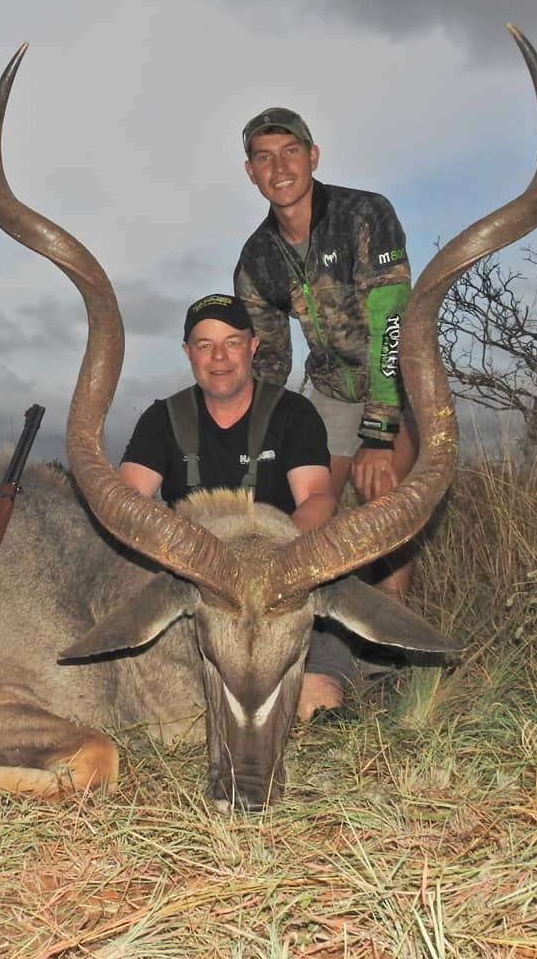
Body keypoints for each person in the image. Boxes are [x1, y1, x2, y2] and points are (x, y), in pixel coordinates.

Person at [232, 107, 420, 701]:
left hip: (399, 382)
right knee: (300, 511)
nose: (279, 167)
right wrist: (248, 446)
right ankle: (312, 650)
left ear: (313, 157)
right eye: (264, 157)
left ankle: (391, 656)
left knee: (383, 498)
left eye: (290, 151)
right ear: (251, 172)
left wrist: (378, 434)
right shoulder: (257, 258)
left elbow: (392, 322)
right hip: (331, 392)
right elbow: (268, 365)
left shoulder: (364, 213)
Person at [118, 293, 351, 720]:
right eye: (205, 345)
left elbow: (317, 499)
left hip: (281, 584)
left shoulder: (293, 414)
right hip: (198, 589)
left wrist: (275, 557)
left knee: (315, 702)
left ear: (253, 346)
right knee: (177, 708)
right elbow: (126, 502)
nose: (219, 357)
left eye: (232, 342)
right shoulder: (162, 419)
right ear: (188, 352)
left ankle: (339, 669)